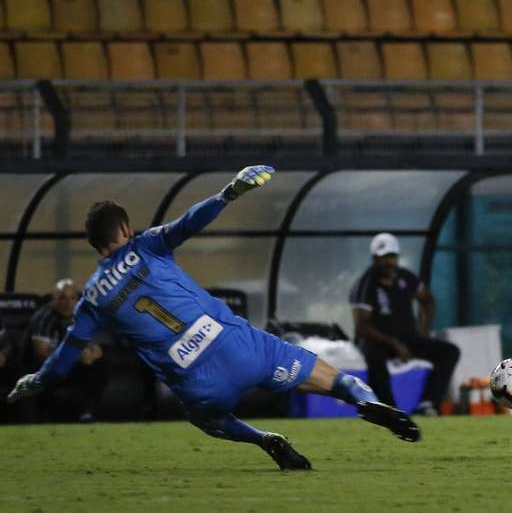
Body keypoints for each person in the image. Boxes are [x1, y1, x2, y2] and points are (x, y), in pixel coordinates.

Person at [8, 166, 420, 470]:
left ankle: (265, 440)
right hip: (239, 347)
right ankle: (366, 402)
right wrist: (229, 193)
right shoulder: (147, 245)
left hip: (199, 384)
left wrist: (37, 381)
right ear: (126, 228)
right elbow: (189, 223)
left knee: (206, 419)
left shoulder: (92, 297)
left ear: (95, 244)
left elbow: (65, 356)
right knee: (335, 379)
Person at [350, 233, 460, 416]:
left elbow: (427, 300)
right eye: (384, 257)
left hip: (407, 338)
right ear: (375, 258)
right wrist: (393, 343)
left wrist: (423, 330)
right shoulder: (366, 284)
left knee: (449, 352)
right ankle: (389, 409)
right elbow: (362, 326)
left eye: (392, 256)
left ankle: (428, 404)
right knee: (374, 356)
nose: (389, 262)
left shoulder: (405, 277)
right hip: (378, 340)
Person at [25, 279, 107, 422]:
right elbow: (41, 353)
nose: (68, 303)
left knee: (100, 367)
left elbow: (97, 347)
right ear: (54, 299)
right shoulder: (45, 317)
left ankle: (87, 413)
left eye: (72, 298)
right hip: (43, 368)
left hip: (70, 366)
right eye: (62, 297)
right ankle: (43, 417)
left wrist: (92, 355)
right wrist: (76, 356)